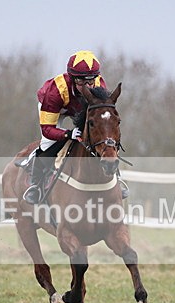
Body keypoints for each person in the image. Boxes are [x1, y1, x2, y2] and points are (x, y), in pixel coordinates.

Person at [23, 50, 128, 204]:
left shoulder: (99, 86)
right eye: (80, 82)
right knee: (48, 144)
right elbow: (47, 129)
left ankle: (116, 178)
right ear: (72, 79)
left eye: (90, 81)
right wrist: (68, 134)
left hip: (81, 107)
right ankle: (35, 184)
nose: (86, 86)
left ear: (96, 78)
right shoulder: (55, 91)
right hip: (57, 108)